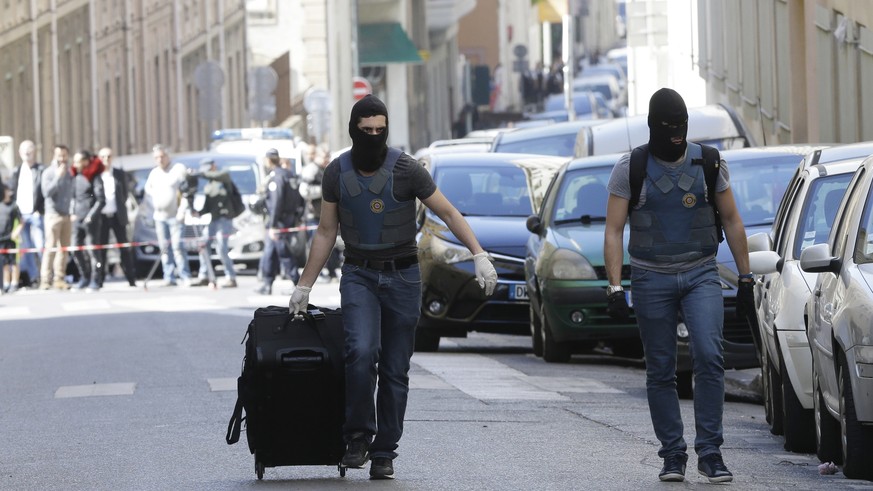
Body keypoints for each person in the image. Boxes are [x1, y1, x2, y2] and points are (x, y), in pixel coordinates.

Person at [287, 94, 498, 480]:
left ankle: (385, 451)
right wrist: (304, 286)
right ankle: (357, 438)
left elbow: (448, 212)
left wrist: (478, 253)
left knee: (396, 369)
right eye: (365, 130)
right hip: (359, 274)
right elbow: (325, 231)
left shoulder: (407, 169)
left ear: (387, 130)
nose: (372, 136)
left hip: (403, 277)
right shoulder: (336, 172)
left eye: (379, 131)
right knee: (361, 352)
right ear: (354, 130)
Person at [603, 88, 753, 484]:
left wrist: (747, 277)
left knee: (709, 355)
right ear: (652, 127)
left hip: (701, 271)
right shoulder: (630, 167)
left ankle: (710, 451)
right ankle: (672, 454)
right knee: (661, 369)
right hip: (651, 276)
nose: (676, 134)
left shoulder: (708, 162)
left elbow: (733, 219)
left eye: (681, 127)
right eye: (668, 127)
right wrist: (615, 287)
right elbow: (614, 229)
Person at [144, 144, 191, 287]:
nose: (160, 160)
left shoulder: (177, 170)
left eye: (162, 156)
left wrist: (182, 210)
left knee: (177, 246)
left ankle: (184, 275)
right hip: (160, 216)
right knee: (164, 248)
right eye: (156, 157)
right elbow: (148, 190)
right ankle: (169, 276)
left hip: (175, 215)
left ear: (167, 156)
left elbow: (186, 192)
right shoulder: (154, 173)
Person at [187, 158, 238, 288]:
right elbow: (208, 206)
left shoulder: (224, 175)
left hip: (225, 218)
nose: (207, 172)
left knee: (221, 247)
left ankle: (230, 277)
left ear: (213, 166)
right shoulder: (208, 185)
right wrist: (198, 212)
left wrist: (199, 173)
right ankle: (204, 275)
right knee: (204, 245)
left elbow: (216, 175)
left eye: (208, 169)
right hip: (214, 220)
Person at [95, 147, 137, 287]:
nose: (106, 159)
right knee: (101, 249)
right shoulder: (96, 175)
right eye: (103, 157)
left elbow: (124, 194)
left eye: (109, 156)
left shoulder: (119, 174)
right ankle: (99, 279)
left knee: (124, 247)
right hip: (102, 217)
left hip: (118, 216)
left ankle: (131, 278)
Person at [69, 150, 106, 291]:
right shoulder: (76, 176)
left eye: (78, 161)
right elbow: (73, 197)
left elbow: (101, 200)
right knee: (75, 248)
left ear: (85, 162)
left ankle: (96, 279)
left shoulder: (95, 177)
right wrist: (72, 212)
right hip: (77, 218)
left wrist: (91, 216)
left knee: (93, 251)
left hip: (91, 219)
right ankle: (84, 276)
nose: (75, 164)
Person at [11, 140, 45, 288]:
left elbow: (44, 193)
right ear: (19, 152)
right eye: (23, 149)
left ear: (34, 151)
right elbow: (12, 194)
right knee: (26, 248)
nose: (26, 152)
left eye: (29, 149)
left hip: (36, 214)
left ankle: (45, 276)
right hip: (21, 215)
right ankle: (33, 277)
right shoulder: (16, 171)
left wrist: (40, 210)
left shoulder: (40, 170)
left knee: (41, 246)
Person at [39, 144, 74, 290]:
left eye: (64, 155)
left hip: (66, 215)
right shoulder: (48, 172)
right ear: (54, 155)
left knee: (63, 249)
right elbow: (46, 192)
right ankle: (45, 279)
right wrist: (58, 178)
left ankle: (59, 278)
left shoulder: (69, 173)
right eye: (59, 155)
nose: (62, 158)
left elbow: (71, 193)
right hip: (53, 214)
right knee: (50, 247)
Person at [0, 183, 23, 293]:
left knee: (13, 262)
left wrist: (16, 232)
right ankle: (6, 283)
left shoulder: (14, 206)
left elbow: (21, 222)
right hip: (1, 238)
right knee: (4, 263)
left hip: (11, 238)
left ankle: (14, 283)